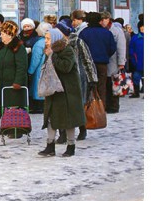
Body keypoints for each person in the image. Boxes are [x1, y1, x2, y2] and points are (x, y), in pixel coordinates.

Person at [38, 28, 85, 158]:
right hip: (53, 90)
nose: (46, 41)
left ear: (55, 38)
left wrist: (52, 55)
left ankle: (71, 146)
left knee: (68, 120)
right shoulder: (50, 52)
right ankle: (50, 145)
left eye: (48, 38)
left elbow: (66, 67)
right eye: (45, 38)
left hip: (67, 92)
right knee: (50, 118)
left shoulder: (67, 50)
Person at [79, 12, 116, 109]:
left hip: (87, 63)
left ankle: (89, 108)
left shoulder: (83, 33)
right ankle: (101, 107)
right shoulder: (107, 32)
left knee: (88, 85)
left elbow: (80, 48)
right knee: (102, 86)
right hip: (102, 63)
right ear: (100, 20)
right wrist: (105, 55)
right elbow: (112, 47)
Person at [0, 21, 28, 121]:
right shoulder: (2, 47)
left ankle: (16, 127)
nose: (1, 36)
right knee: (3, 105)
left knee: (14, 105)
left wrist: (18, 82)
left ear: (10, 34)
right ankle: (6, 126)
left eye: (3, 34)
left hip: (12, 83)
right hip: (2, 82)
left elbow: (22, 66)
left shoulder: (18, 48)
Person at [101, 12, 127, 114]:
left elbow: (121, 47)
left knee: (115, 84)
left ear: (108, 19)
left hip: (114, 62)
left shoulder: (116, 31)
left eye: (104, 20)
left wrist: (121, 62)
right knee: (107, 84)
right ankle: (107, 104)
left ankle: (114, 106)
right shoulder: (103, 30)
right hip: (105, 62)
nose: (102, 22)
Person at [26, 22, 52, 114]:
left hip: (40, 69)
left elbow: (35, 59)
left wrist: (30, 71)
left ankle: (38, 107)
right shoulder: (53, 40)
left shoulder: (39, 43)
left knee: (38, 87)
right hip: (50, 69)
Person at [129, 19, 144, 98]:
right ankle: (136, 92)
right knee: (136, 77)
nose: (143, 28)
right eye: (141, 26)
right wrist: (133, 59)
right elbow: (131, 49)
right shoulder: (135, 38)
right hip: (138, 61)